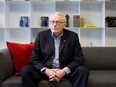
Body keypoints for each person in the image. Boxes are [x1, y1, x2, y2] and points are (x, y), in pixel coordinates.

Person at [21, 12, 89, 87]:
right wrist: (46, 70)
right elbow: (34, 59)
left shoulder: (73, 37)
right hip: (46, 70)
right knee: (26, 70)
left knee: (83, 71)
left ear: (64, 24)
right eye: (52, 22)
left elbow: (79, 59)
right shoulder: (41, 36)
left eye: (58, 22)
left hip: (65, 71)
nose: (54, 24)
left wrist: (63, 71)